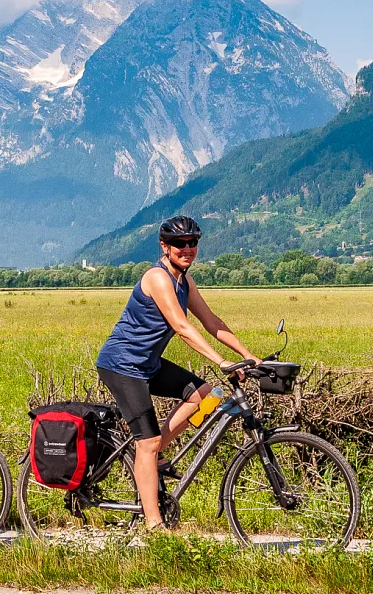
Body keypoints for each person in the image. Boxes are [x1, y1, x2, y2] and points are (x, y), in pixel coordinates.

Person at [94, 215, 256, 530]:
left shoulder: (184, 281)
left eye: (193, 243)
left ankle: (153, 455)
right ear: (165, 246)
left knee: (204, 393)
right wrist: (221, 361)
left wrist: (248, 356)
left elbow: (212, 322)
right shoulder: (158, 278)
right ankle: (154, 526)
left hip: (148, 363)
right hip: (122, 364)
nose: (188, 248)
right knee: (148, 440)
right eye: (180, 244)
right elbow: (181, 326)